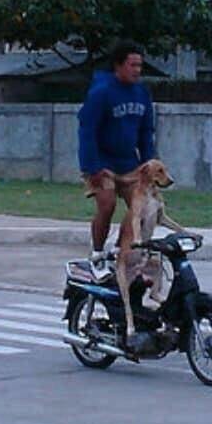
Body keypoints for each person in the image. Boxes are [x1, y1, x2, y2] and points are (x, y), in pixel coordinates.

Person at [78, 41, 155, 279]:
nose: (137, 70)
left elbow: (146, 132)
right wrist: (92, 167)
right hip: (102, 163)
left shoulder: (142, 93)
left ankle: (120, 253)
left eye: (140, 65)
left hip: (129, 164)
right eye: (132, 65)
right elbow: (87, 130)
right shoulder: (101, 92)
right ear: (118, 66)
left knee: (142, 208)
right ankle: (98, 254)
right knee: (107, 204)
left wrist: (149, 163)